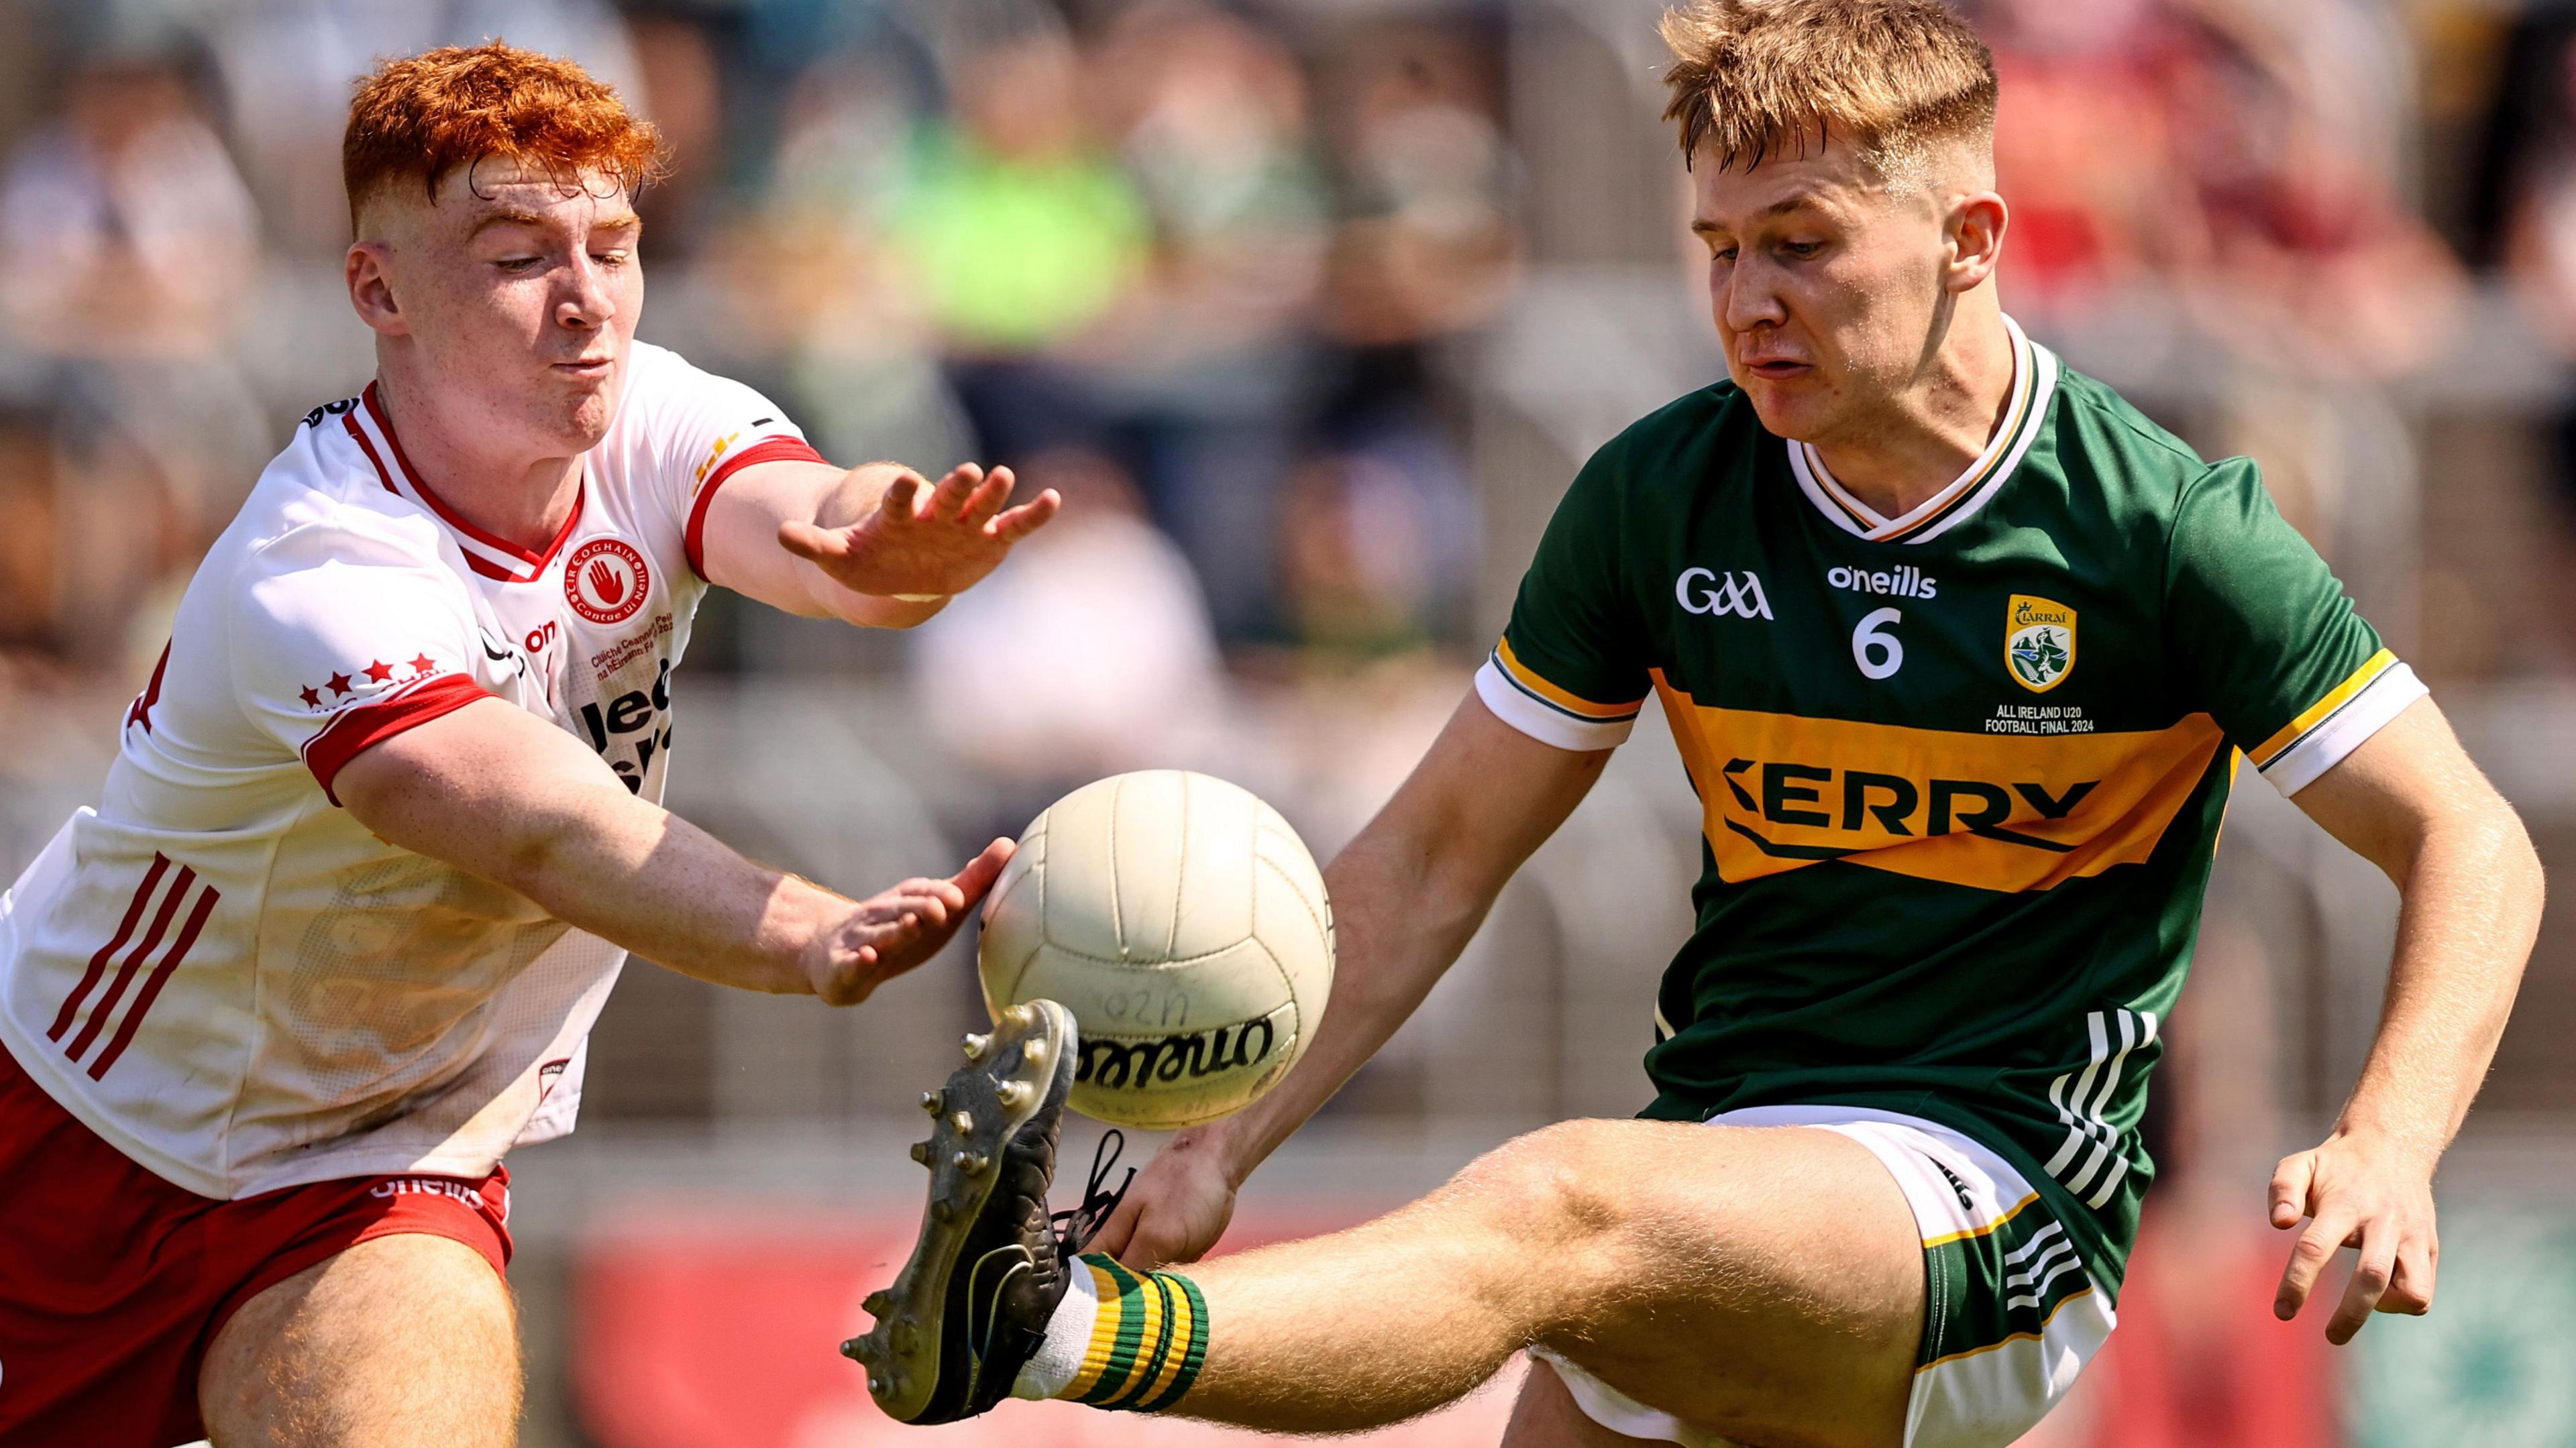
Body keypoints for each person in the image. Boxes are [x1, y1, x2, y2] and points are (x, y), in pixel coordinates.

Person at [845, 4, 2542, 1447]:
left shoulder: (2167, 533)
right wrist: (1218, 1147)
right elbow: (1434, 856)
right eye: (1719, 252)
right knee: (1591, 1223)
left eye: (1802, 243)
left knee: (1549, 1210)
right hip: (1724, 1171)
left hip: (1996, 1210)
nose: (1746, 301)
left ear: (1971, 241)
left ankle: (1039, 1332)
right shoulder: (1658, 496)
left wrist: (2390, 1142)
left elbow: (2471, 837)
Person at [0, 43, 1057, 1448]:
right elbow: (542, 827)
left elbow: (814, 531)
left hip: (380, 1163)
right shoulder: (314, 567)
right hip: (75, 1147)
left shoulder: (649, 411)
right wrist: (803, 927)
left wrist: (889, 539)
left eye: (611, 249)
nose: (585, 304)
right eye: (516, 258)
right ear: (379, 291)